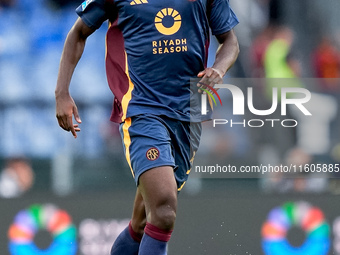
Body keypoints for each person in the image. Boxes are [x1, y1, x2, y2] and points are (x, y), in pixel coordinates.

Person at [55, 0, 239, 254]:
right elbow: (78, 32)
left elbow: (230, 41)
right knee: (164, 210)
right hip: (141, 109)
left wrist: (218, 69)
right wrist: (62, 92)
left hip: (189, 112)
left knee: (143, 223)